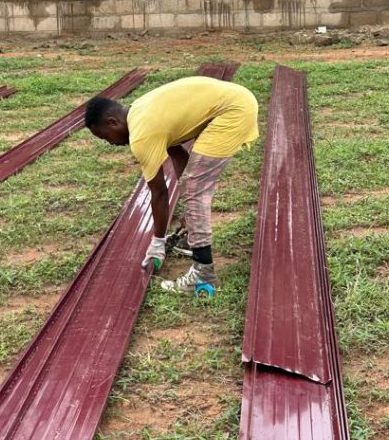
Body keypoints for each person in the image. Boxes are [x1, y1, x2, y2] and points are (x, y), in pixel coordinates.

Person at [85, 76, 259, 296]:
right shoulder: (139, 109)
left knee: (195, 188)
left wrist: (157, 242)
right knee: (192, 184)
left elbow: (159, 193)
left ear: (112, 122)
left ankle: (203, 273)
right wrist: (188, 209)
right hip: (237, 99)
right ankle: (193, 238)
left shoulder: (141, 135)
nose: (110, 143)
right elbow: (178, 155)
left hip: (233, 112)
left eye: (105, 137)